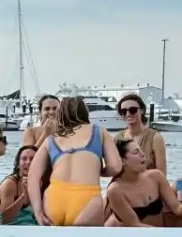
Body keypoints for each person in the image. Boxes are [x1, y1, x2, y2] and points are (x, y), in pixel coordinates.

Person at [27, 96, 122, 226]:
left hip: (55, 197)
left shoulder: (52, 139)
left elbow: (32, 176)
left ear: (60, 115)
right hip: (87, 197)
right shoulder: (98, 131)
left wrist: (38, 212)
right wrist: (101, 171)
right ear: (85, 112)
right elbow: (116, 167)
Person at [105, 139, 182, 227]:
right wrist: (164, 235)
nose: (142, 154)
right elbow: (135, 224)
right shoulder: (115, 190)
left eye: (141, 150)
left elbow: (177, 208)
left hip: (159, 233)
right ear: (122, 161)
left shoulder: (156, 176)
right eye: (136, 152)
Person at [114, 93, 167, 175]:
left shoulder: (155, 137)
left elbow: (162, 173)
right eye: (124, 111)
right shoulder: (118, 138)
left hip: (149, 186)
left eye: (133, 110)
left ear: (142, 110)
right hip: (124, 186)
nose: (128, 114)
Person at [0, 145, 40, 225]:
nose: (28, 162)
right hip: (9, 226)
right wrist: (23, 197)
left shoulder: (40, 181)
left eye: (32, 159)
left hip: (30, 223)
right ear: (18, 164)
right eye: (24, 159)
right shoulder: (10, 184)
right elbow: (5, 219)